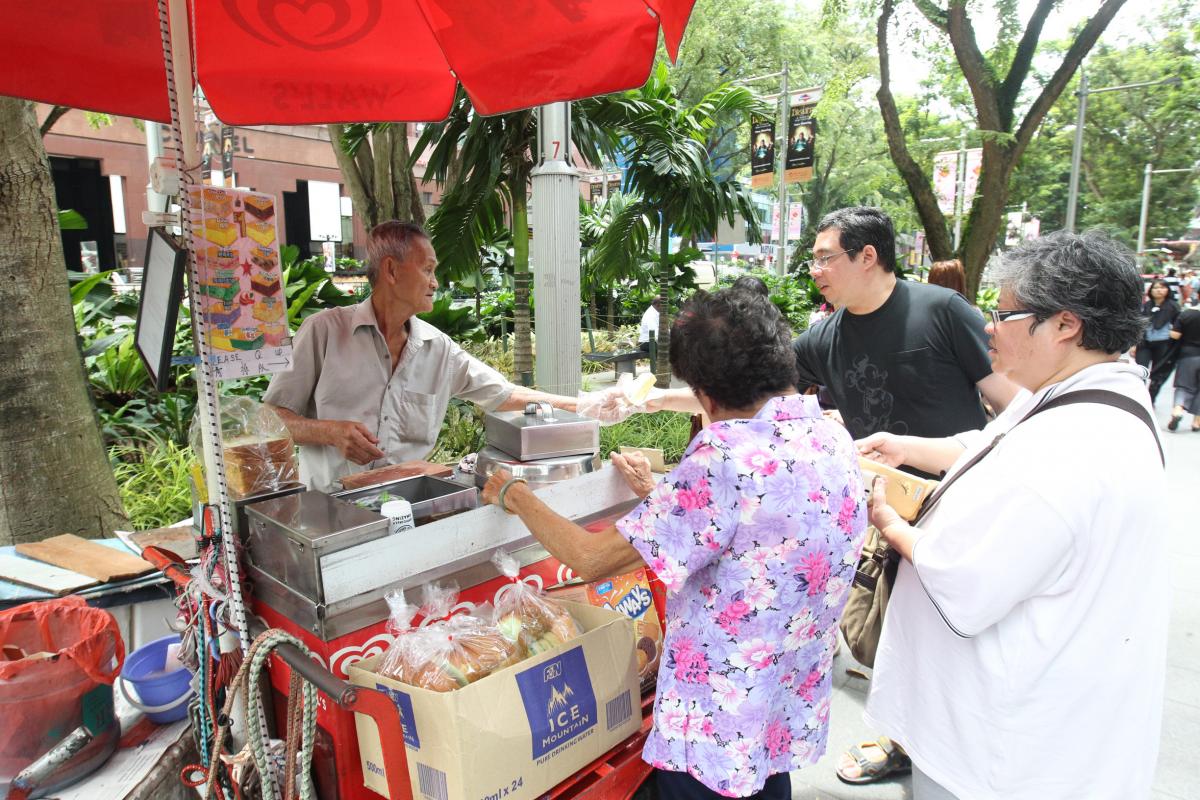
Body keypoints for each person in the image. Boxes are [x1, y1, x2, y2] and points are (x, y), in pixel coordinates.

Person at [481, 286, 868, 799]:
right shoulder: (832, 437)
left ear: (705, 394)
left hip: (715, 730)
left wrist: (513, 494)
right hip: (779, 710)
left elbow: (590, 559)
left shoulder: (722, 455)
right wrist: (659, 494)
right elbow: (756, 532)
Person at [860, 230, 1167, 799]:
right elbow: (989, 443)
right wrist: (906, 449)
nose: (988, 327)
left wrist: (892, 526)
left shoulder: (1069, 450)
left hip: (1005, 748)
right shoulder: (1075, 395)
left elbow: (965, 578)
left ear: (1065, 325)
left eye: (1004, 314)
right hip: (1037, 718)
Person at [263, 221, 578, 492]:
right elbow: (270, 420)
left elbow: (503, 394)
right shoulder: (323, 332)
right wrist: (329, 432)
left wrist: (586, 406)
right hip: (331, 508)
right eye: (427, 269)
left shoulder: (438, 348)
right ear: (391, 270)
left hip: (408, 507)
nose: (435, 282)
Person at [1134, 279, 1180, 403]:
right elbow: (1139, 324)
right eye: (1156, 288)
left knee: (1158, 373)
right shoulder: (1146, 305)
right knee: (1140, 371)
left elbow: (1178, 325)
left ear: (1167, 290)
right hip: (1144, 343)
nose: (1159, 290)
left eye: (1162, 287)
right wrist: (1134, 344)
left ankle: (1151, 399)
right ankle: (1139, 398)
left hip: (1164, 344)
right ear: (1151, 290)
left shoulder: (1173, 306)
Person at [1167, 302, 1200, 432]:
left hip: (1188, 355)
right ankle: (1196, 422)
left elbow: (1175, 335)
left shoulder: (1187, 314)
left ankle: (1177, 410)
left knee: (1183, 386)